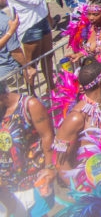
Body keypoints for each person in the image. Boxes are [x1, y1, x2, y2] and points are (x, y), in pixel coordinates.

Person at [0, 74, 54, 217]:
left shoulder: (30, 105)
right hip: (7, 189)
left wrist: (49, 169)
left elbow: (47, 136)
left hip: (34, 181)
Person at [5, 0, 53, 90]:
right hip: (30, 27)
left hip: (42, 21)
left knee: (48, 56)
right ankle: (31, 92)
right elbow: (35, 0)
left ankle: (51, 87)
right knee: (32, 63)